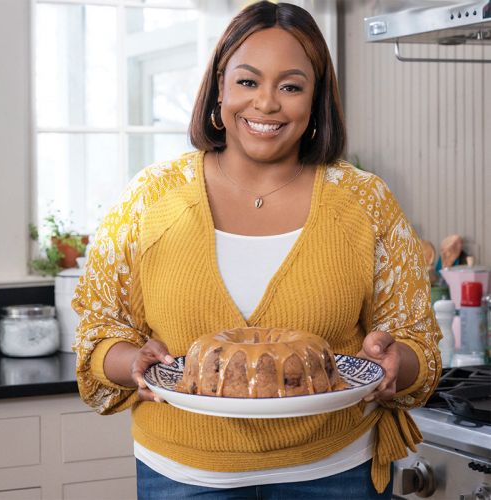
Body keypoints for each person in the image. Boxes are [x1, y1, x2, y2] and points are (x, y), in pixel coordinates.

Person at [72, 2, 442, 499]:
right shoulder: (150, 198)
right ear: (219, 88)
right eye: (248, 81)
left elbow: (416, 341)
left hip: (333, 472)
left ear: (316, 99)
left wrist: (397, 360)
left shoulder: (366, 201)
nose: (266, 103)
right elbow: (99, 333)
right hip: (184, 475)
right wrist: (133, 361)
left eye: (291, 87)